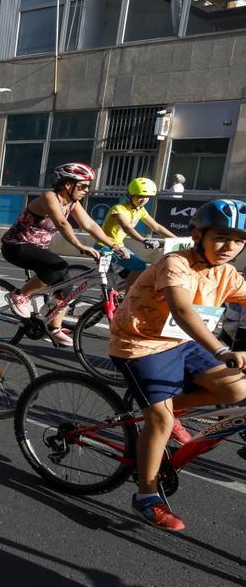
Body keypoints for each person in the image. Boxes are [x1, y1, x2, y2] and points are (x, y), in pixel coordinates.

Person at [108, 199, 246, 532]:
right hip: (139, 344)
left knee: (237, 388)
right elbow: (183, 311)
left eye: (240, 239)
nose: (231, 247)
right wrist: (219, 348)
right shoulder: (176, 264)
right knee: (160, 418)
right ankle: (146, 495)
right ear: (198, 235)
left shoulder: (226, 273)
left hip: (183, 343)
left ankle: (163, 411)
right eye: (222, 237)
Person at [1, 162, 124, 346]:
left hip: (37, 249)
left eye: (88, 187)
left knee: (66, 286)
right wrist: (79, 245)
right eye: (82, 186)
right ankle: (18, 295)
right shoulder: (50, 197)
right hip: (16, 246)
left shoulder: (72, 203)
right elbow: (62, 223)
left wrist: (113, 245)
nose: (86, 190)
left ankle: (52, 327)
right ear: (68, 184)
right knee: (56, 266)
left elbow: (89, 224)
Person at [97, 177, 177, 286]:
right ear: (131, 194)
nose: (143, 200)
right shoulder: (119, 209)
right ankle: (128, 299)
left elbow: (157, 227)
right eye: (139, 196)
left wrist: (177, 239)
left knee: (136, 269)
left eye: (147, 197)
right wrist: (144, 240)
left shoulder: (140, 210)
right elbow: (127, 228)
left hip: (119, 246)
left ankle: (114, 292)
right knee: (139, 266)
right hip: (105, 245)